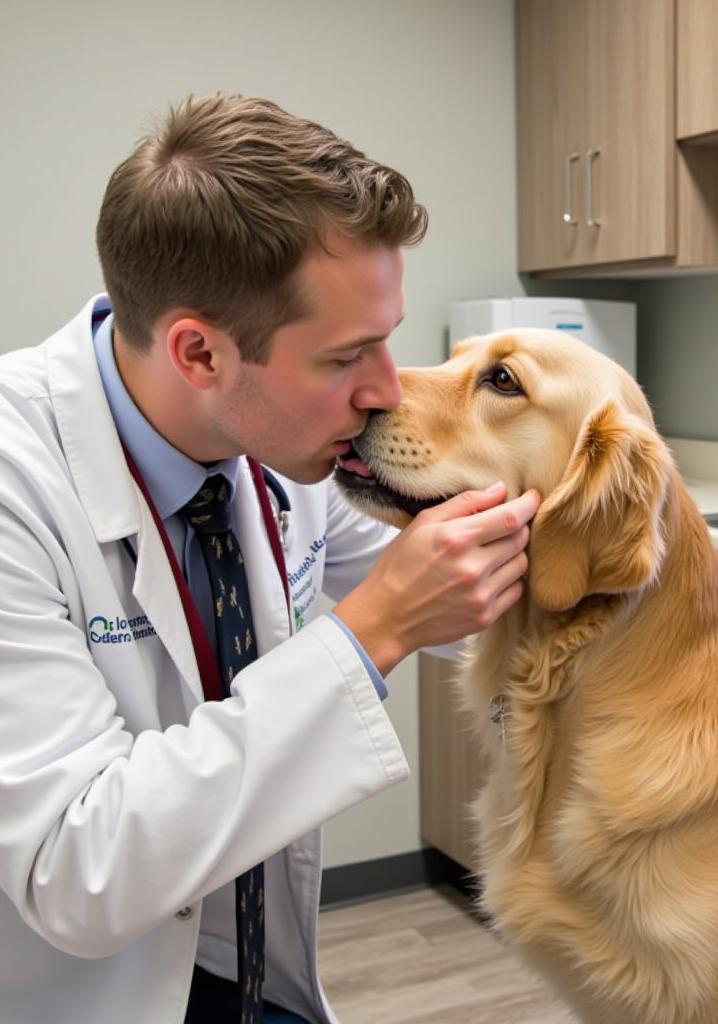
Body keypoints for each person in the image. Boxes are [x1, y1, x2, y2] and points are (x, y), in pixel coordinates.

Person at [0, 94, 539, 1024]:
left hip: (255, 970)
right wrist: (376, 630)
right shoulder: (20, 483)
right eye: (345, 357)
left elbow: (480, 597)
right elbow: (76, 869)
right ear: (200, 352)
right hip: (99, 991)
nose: (383, 391)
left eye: (386, 336)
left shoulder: (288, 453)